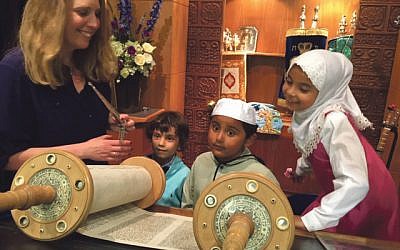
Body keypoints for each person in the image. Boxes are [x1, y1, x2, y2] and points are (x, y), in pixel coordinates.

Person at [0, 0, 135, 192]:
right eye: (83, 13)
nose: (95, 24)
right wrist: (82, 151)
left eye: (97, 14)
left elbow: (65, 120)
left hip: (87, 197)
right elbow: (6, 159)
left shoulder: (94, 70)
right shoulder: (15, 71)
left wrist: (106, 120)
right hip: (32, 206)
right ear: (51, 15)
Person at [282, 49, 400, 241]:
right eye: (289, 81)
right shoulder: (311, 111)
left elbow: (357, 183)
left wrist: (310, 221)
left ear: (326, 91)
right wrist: (300, 170)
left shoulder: (334, 121)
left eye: (304, 88)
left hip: (364, 198)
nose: (290, 92)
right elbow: (313, 147)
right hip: (347, 190)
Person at [181, 98, 279, 208]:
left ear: (249, 140)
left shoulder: (261, 176)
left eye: (231, 133)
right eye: (216, 128)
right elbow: (187, 207)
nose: (219, 138)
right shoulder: (201, 161)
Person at [146, 111, 190, 208]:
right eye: (157, 136)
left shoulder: (185, 175)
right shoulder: (141, 166)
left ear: (180, 142)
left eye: (169, 138)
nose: (161, 143)